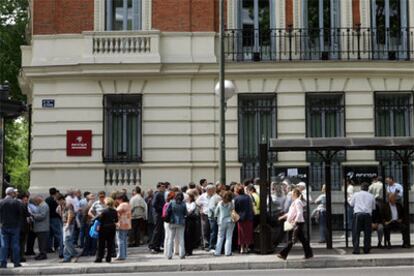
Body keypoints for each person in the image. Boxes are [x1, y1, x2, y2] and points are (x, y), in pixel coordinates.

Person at [277, 188, 313, 260]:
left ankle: (283, 254)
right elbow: (291, 213)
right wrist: (283, 217)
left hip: (297, 223)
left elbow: (299, 212)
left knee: (292, 239)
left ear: (295, 194)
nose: (291, 196)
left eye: (292, 194)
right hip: (295, 222)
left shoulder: (298, 202)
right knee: (302, 239)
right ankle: (309, 254)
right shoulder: (295, 202)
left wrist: (295, 221)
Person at [0, 187, 24, 268]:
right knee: (15, 245)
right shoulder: (17, 202)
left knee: (4, 246)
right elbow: (21, 214)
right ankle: (16, 262)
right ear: (11, 193)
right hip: (15, 226)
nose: (14, 193)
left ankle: (3, 263)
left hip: (4, 226)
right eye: (14, 192)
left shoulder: (1, 202)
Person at [349, 182, 376, 254]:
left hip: (358, 214)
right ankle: (366, 249)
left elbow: (351, 204)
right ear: (368, 189)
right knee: (367, 233)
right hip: (367, 215)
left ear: (361, 188)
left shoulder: (356, 194)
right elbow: (373, 207)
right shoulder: (371, 196)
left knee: (356, 232)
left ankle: (356, 249)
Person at [95, 197, 118, 263]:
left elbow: (100, 220)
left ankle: (99, 257)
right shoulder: (114, 211)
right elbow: (116, 220)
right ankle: (108, 258)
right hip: (112, 228)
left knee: (101, 244)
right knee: (110, 244)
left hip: (103, 228)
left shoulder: (104, 211)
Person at [166, 193, 187, 259]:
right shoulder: (183, 204)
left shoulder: (171, 203)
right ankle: (182, 254)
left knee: (170, 239)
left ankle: (169, 255)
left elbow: (167, 211)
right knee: (181, 239)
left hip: (172, 222)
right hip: (181, 222)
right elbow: (185, 213)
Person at [214, 191, 235, 257]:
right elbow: (233, 211)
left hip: (221, 221)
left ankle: (217, 252)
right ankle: (228, 252)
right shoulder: (232, 203)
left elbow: (216, 212)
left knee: (220, 237)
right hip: (230, 221)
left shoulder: (220, 203)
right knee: (229, 237)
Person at [234, 186, 254, 254]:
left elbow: (235, 209)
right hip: (248, 217)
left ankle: (242, 248)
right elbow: (251, 207)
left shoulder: (236, 198)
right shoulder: (248, 197)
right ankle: (247, 247)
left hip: (240, 218)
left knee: (241, 233)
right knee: (248, 233)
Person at [31, 195, 50, 260]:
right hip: (40, 228)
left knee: (42, 242)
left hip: (42, 227)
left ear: (39, 200)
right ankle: (41, 253)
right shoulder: (41, 205)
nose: (35, 202)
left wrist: (33, 215)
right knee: (40, 242)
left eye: (36, 201)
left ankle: (43, 254)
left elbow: (42, 216)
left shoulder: (44, 205)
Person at [149, 183, 166, 254]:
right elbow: (154, 204)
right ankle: (153, 246)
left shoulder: (161, 194)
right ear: (158, 187)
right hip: (158, 215)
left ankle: (157, 247)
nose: (164, 188)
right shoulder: (158, 194)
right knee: (157, 231)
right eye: (162, 187)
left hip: (160, 215)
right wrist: (162, 209)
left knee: (160, 231)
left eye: (164, 187)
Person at [46, 188, 63, 256]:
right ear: (55, 193)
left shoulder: (47, 199)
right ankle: (61, 246)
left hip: (49, 218)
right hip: (55, 218)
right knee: (58, 234)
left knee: (50, 234)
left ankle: (49, 247)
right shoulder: (56, 200)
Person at [115, 193, 131, 261]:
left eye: (117, 199)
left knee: (120, 240)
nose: (117, 201)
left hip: (121, 224)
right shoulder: (128, 204)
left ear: (120, 199)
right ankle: (124, 254)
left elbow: (116, 212)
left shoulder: (122, 205)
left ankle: (121, 255)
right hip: (127, 224)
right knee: (124, 240)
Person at [196, 184, 212, 250]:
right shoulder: (203, 196)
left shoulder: (214, 196)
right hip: (205, 214)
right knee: (205, 229)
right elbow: (197, 202)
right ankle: (205, 244)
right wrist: (200, 208)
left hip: (212, 215)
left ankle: (210, 244)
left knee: (211, 230)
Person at [207, 185, 221, 251]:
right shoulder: (215, 197)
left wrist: (216, 215)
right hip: (213, 217)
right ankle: (212, 245)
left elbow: (212, 208)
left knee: (213, 232)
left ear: (211, 190)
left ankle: (212, 245)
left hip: (213, 217)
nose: (207, 192)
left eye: (207, 190)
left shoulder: (214, 197)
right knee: (214, 231)